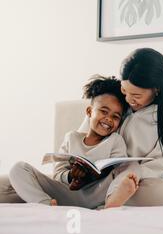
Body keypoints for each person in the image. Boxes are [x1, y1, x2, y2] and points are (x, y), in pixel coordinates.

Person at [8, 75, 130, 207]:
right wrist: (71, 176)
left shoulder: (115, 140)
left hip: (97, 194)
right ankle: (45, 205)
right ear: (89, 112)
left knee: (131, 167)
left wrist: (93, 176)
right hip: (67, 194)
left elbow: (118, 171)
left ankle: (110, 204)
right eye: (103, 111)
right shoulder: (71, 138)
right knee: (18, 168)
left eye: (115, 117)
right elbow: (58, 174)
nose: (108, 119)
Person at [100, 48, 163, 208]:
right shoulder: (110, 100)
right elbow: (85, 137)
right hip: (98, 177)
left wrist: (129, 177)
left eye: (136, 95)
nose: (128, 99)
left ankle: (109, 199)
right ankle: (103, 199)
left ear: (156, 90)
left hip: (133, 183)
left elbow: (160, 164)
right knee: (38, 178)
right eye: (124, 91)